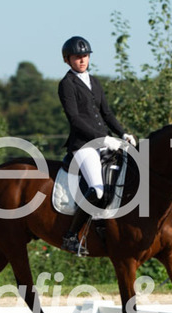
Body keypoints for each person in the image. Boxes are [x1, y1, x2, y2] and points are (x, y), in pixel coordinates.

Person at [58, 36, 136, 254]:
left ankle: (106, 226)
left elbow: (106, 113)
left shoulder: (94, 81)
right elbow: (75, 119)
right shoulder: (66, 84)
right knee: (97, 190)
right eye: (77, 57)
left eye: (85, 56)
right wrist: (103, 138)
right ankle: (71, 235)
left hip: (105, 141)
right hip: (83, 145)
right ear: (67, 60)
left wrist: (123, 133)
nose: (82, 60)